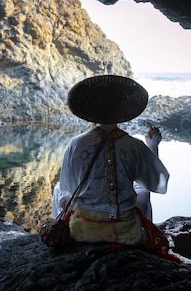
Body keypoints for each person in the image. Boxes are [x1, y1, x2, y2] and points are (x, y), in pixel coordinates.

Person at [51, 75, 180, 261]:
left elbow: (69, 188)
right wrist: (152, 145)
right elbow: (157, 182)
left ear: (91, 110)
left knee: (58, 189)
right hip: (126, 228)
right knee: (142, 191)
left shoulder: (76, 144)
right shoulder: (133, 145)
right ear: (121, 110)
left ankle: (64, 231)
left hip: (85, 228)